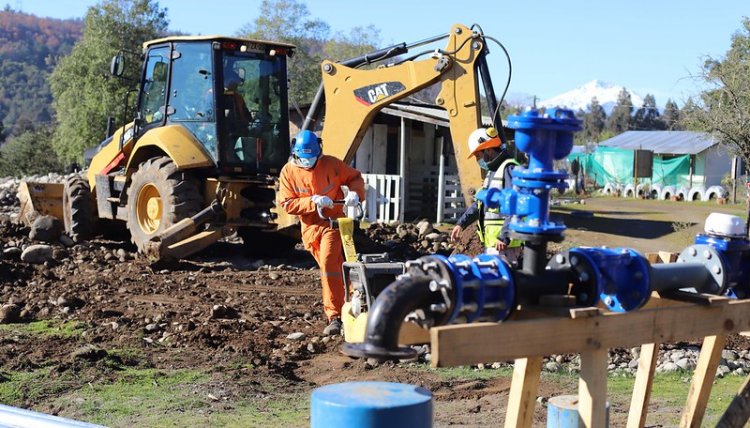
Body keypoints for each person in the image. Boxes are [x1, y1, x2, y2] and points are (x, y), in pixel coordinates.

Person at [279, 130, 366, 336]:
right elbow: (287, 203)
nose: (307, 163)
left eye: (311, 158)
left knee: (329, 264)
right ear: (295, 154)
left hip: (334, 224)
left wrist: (355, 193)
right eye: (303, 159)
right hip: (310, 227)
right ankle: (353, 300)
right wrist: (312, 201)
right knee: (332, 266)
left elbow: (354, 177)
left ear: (319, 153)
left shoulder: (332, 165)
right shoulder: (288, 172)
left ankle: (334, 316)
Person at [450, 127, 523, 266]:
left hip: (505, 246)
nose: (478, 160)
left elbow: (516, 205)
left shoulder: (509, 169)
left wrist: (505, 236)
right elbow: (479, 204)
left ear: (488, 150)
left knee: (501, 283)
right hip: (494, 245)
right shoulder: (493, 173)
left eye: (478, 155)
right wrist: (461, 224)